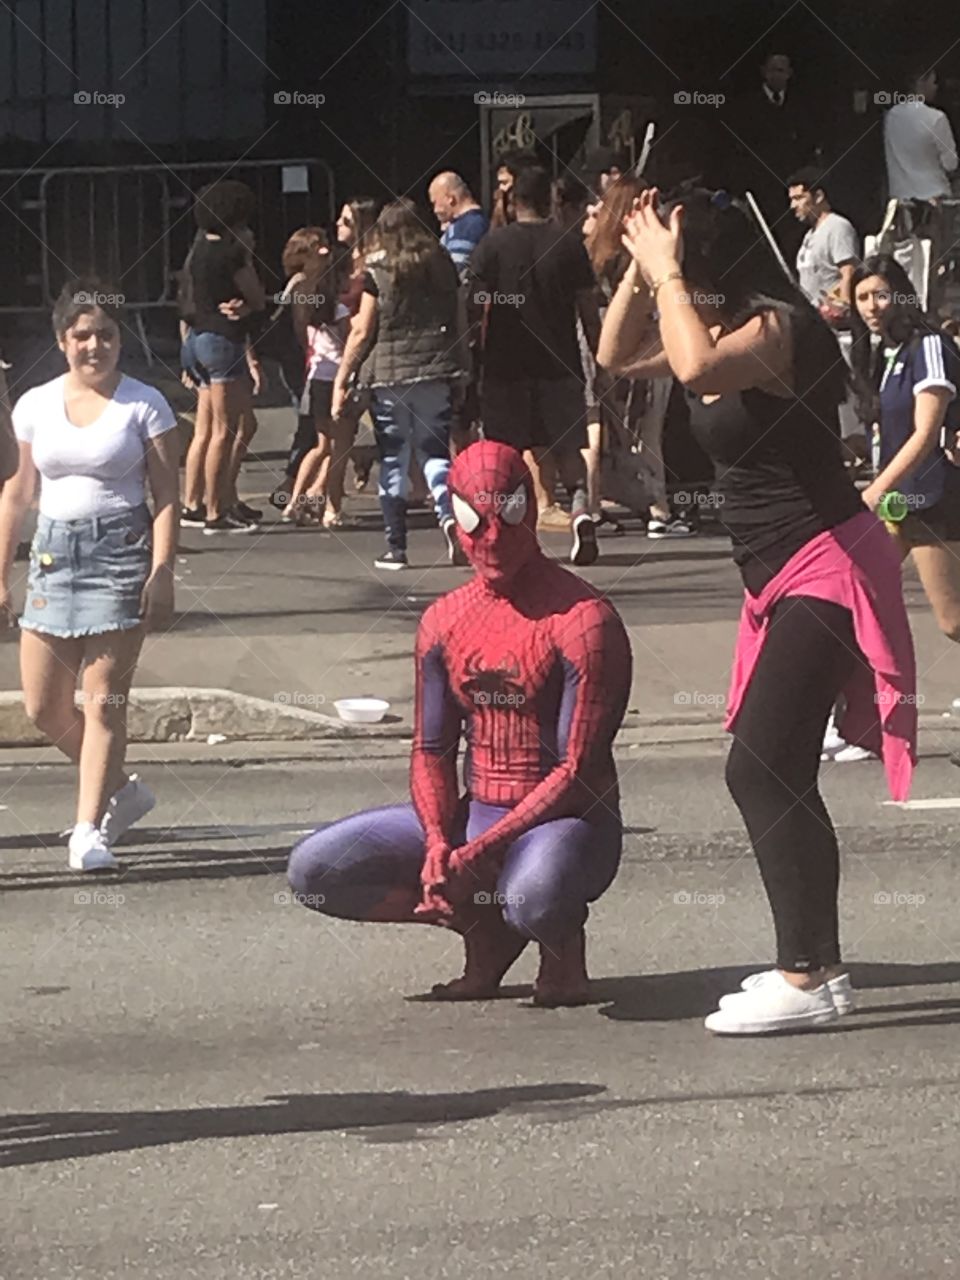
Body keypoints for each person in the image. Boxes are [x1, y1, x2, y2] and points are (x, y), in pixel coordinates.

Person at [599, 187, 917, 1035]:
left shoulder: (777, 330)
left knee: (762, 768)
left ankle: (807, 977)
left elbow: (698, 367)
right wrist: (642, 272)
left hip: (829, 562)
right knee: (779, 769)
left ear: (703, 267)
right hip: (777, 578)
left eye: (676, 263)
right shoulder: (708, 326)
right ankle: (820, 969)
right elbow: (616, 354)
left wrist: (664, 269)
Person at [287, 441, 631, 1004]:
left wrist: (480, 849)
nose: (492, 540)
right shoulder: (444, 621)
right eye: (474, 522)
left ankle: (559, 945)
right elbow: (431, 748)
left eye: (508, 517)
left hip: (568, 824)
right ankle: (484, 930)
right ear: (454, 519)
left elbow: (576, 769)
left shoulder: (583, 621)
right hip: (479, 815)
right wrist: (439, 844)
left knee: (534, 898)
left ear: (530, 508)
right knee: (317, 872)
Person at [0, 282, 180, 871]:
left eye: (105, 334)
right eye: (82, 335)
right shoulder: (34, 404)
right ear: (62, 342)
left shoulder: (144, 403)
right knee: (43, 707)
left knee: (104, 703)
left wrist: (162, 571)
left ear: (120, 340)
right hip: (53, 558)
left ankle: (87, 832)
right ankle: (121, 789)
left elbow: (165, 496)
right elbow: (19, 491)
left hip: (119, 556)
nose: (94, 345)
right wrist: (1, 572)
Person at [467, 164, 602, 566]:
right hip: (560, 365)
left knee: (506, 456)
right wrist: (601, 358)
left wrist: (471, 352)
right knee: (567, 450)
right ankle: (580, 512)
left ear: (512, 201)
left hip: (506, 367)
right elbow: (588, 310)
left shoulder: (493, 245)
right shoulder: (569, 244)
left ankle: (510, 534)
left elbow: (473, 306)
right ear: (551, 199)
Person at [331, 199, 468, 570]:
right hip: (436, 369)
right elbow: (459, 317)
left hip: (389, 377)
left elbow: (362, 329)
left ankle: (397, 547)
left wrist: (343, 379)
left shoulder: (378, 268)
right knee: (435, 455)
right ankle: (450, 519)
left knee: (395, 457)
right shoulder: (443, 265)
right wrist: (462, 366)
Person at [851, 254, 960, 665]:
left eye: (880, 294)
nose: (871, 306)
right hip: (894, 505)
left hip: (932, 496)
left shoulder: (929, 345)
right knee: (853, 597)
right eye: (861, 297)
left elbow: (926, 432)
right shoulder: (882, 355)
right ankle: (846, 712)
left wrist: (876, 489)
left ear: (901, 294)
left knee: (953, 621)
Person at [583, 175, 687, 535]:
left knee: (608, 430)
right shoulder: (637, 256)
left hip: (607, 351)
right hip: (648, 347)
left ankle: (595, 505)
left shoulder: (596, 253)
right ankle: (659, 508)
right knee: (649, 430)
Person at [178, 181, 265, 534]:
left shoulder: (197, 251)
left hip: (197, 338)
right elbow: (256, 297)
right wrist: (248, 304)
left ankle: (197, 502)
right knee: (224, 432)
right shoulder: (231, 256)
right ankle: (217, 511)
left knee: (206, 429)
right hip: (223, 340)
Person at [788, 167, 866, 463]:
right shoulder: (810, 235)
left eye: (799, 198)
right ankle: (840, 451)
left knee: (846, 392)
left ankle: (855, 450)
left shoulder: (837, 228)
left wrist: (842, 306)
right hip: (815, 326)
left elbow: (848, 271)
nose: (794, 206)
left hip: (838, 328)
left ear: (818, 195)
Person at [282, 245, 353, 527]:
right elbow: (350, 342)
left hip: (316, 378)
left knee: (320, 445)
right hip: (336, 378)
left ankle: (295, 500)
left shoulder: (308, 304)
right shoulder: (339, 307)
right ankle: (330, 508)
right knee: (337, 446)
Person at [882, 61, 958, 312]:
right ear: (921, 82)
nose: (936, 87)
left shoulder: (891, 116)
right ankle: (933, 317)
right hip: (933, 203)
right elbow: (950, 162)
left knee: (904, 266)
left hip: (901, 203)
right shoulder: (936, 118)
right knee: (935, 267)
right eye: (933, 81)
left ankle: (906, 312)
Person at [267, 227, 331, 512]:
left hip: (304, 361)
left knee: (314, 425)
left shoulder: (313, 281)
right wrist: (313, 355)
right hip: (301, 362)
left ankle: (302, 486)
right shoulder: (302, 283)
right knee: (311, 425)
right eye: (318, 247)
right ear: (303, 255)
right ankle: (292, 485)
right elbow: (301, 328)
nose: (326, 251)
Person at [334, 196, 381, 493]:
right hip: (337, 349)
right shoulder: (345, 261)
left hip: (363, 353)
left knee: (343, 422)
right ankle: (363, 456)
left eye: (346, 221)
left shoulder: (373, 265)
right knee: (340, 425)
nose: (338, 225)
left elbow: (365, 322)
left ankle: (316, 494)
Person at [429, 171, 489, 280]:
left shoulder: (466, 229)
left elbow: (453, 275)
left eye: (435, 203)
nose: (435, 210)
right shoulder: (475, 222)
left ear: (450, 199)